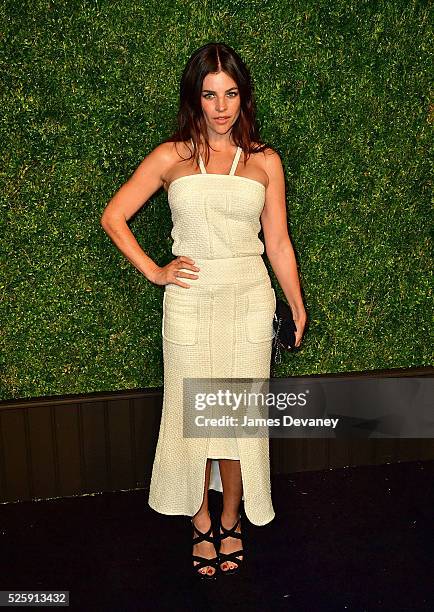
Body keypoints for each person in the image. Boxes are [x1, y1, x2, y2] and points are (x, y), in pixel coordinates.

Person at [100, 42, 307, 579]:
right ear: (195, 97)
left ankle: (232, 518)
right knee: (192, 418)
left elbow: (278, 242)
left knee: (237, 418)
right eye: (210, 94)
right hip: (189, 302)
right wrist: (155, 270)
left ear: (243, 97)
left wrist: (296, 304)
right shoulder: (171, 156)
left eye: (231, 93)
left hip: (248, 298)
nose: (221, 106)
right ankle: (199, 523)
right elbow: (115, 216)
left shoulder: (265, 161)